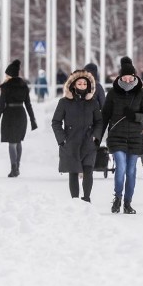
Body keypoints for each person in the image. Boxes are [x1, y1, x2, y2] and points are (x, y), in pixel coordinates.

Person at [101, 57, 143, 214]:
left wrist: (135, 117)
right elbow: (105, 116)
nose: (128, 79)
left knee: (131, 171)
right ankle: (117, 198)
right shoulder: (113, 93)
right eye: (125, 77)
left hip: (135, 137)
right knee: (121, 167)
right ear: (120, 77)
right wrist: (97, 137)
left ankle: (128, 203)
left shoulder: (141, 93)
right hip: (116, 136)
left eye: (130, 77)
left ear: (135, 76)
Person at [51, 69, 103, 201]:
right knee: (73, 172)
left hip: (88, 141)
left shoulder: (93, 103)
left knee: (88, 170)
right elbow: (56, 122)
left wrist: (95, 137)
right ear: (73, 85)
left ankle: (86, 198)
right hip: (71, 141)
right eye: (79, 84)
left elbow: (99, 121)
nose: (82, 87)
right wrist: (62, 140)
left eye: (85, 84)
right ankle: (75, 200)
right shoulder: (64, 102)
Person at [0, 59, 38, 177]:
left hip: (9, 115)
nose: (5, 76)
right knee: (18, 141)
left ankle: (14, 168)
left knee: (12, 143)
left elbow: (1, 105)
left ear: (10, 74)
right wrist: (33, 120)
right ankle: (17, 165)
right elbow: (28, 104)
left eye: (7, 74)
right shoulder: (24, 86)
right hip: (21, 115)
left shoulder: (5, 87)